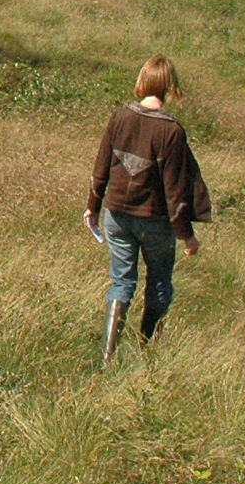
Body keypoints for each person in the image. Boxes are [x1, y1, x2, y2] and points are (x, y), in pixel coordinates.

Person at [84, 55, 210, 363]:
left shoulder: (119, 118)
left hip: (116, 216)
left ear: (143, 81)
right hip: (155, 221)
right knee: (159, 282)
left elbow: (101, 167)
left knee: (122, 281)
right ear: (170, 87)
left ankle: (106, 357)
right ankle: (147, 352)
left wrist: (92, 207)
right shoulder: (172, 131)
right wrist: (187, 236)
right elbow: (175, 191)